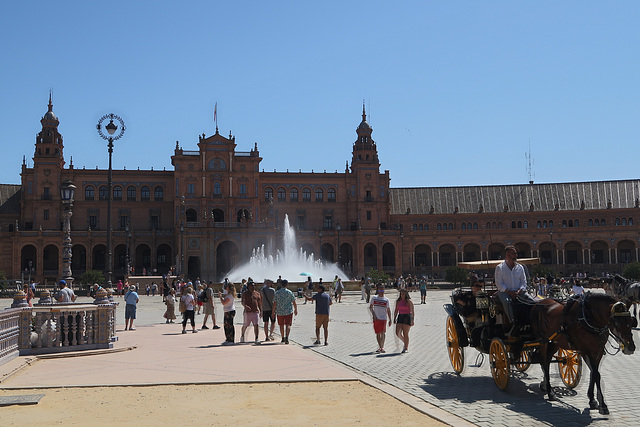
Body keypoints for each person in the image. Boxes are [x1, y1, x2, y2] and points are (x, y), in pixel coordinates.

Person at [494, 245, 535, 336]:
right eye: (514, 254)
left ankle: (532, 321)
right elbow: (499, 284)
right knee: (507, 302)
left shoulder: (520, 267)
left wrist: (520, 290)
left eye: (516, 253)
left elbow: (523, 282)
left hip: (519, 291)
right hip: (505, 292)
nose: (516, 255)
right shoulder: (500, 268)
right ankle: (514, 322)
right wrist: (509, 292)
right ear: (507, 254)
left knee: (532, 301)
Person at [271, 279, 298, 344]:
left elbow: (275, 303)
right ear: (287, 285)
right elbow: (294, 301)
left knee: (281, 325)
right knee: (288, 324)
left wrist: (273, 312)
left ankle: (282, 338)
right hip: (288, 311)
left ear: (281, 284)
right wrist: (295, 309)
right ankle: (287, 337)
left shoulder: (277, 293)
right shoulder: (289, 292)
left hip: (279, 311)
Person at [370, 284, 392, 353]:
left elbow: (388, 310)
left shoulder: (386, 300)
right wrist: (373, 315)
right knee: (378, 333)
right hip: (376, 318)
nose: (381, 291)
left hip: (383, 318)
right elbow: (370, 307)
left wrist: (390, 319)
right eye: (380, 290)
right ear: (378, 290)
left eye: (382, 290)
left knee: (383, 332)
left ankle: (382, 347)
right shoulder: (374, 298)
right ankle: (380, 346)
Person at [393, 289, 415, 353]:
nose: (402, 295)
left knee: (405, 333)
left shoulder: (409, 301)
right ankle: (405, 342)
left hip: (407, 316)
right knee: (398, 332)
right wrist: (394, 318)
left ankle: (406, 348)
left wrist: (412, 319)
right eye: (401, 294)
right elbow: (396, 310)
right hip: (400, 316)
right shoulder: (398, 301)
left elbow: (412, 311)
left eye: (403, 294)